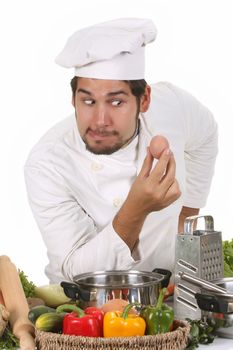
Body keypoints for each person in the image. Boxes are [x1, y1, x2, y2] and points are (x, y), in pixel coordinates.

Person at [24, 18, 218, 283]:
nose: (100, 120)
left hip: (170, 299)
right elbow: (75, 271)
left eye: (116, 102)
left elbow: (206, 134)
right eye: (88, 101)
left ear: (145, 99)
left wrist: (187, 212)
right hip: (86, 311)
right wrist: (136, 208)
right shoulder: (48, 163)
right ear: (73, 99)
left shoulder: (172, 107)